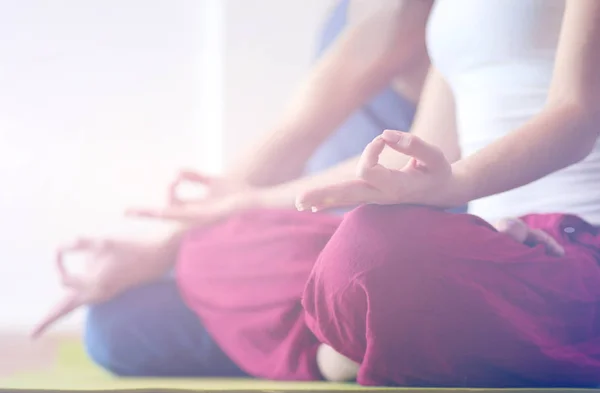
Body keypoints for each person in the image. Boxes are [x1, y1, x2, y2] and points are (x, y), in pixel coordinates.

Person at [32, 0, 430, 379]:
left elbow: (395, 158)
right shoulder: (349, 15)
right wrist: (162, 248)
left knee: (204, 259)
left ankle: (344, 336)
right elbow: (293, 135)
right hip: (319, 239)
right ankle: (331, 340)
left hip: (388, 238)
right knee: (117, 326)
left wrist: (237, 208)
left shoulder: (415, 14)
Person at [294, 0, 600, 387]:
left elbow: (577, 115)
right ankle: (371, 333)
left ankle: (356, 336)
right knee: (227, 246)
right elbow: (426, 145)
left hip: (580, 243)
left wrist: (455, 183)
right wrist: (245, 202)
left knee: (364, 248)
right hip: (485, 241)